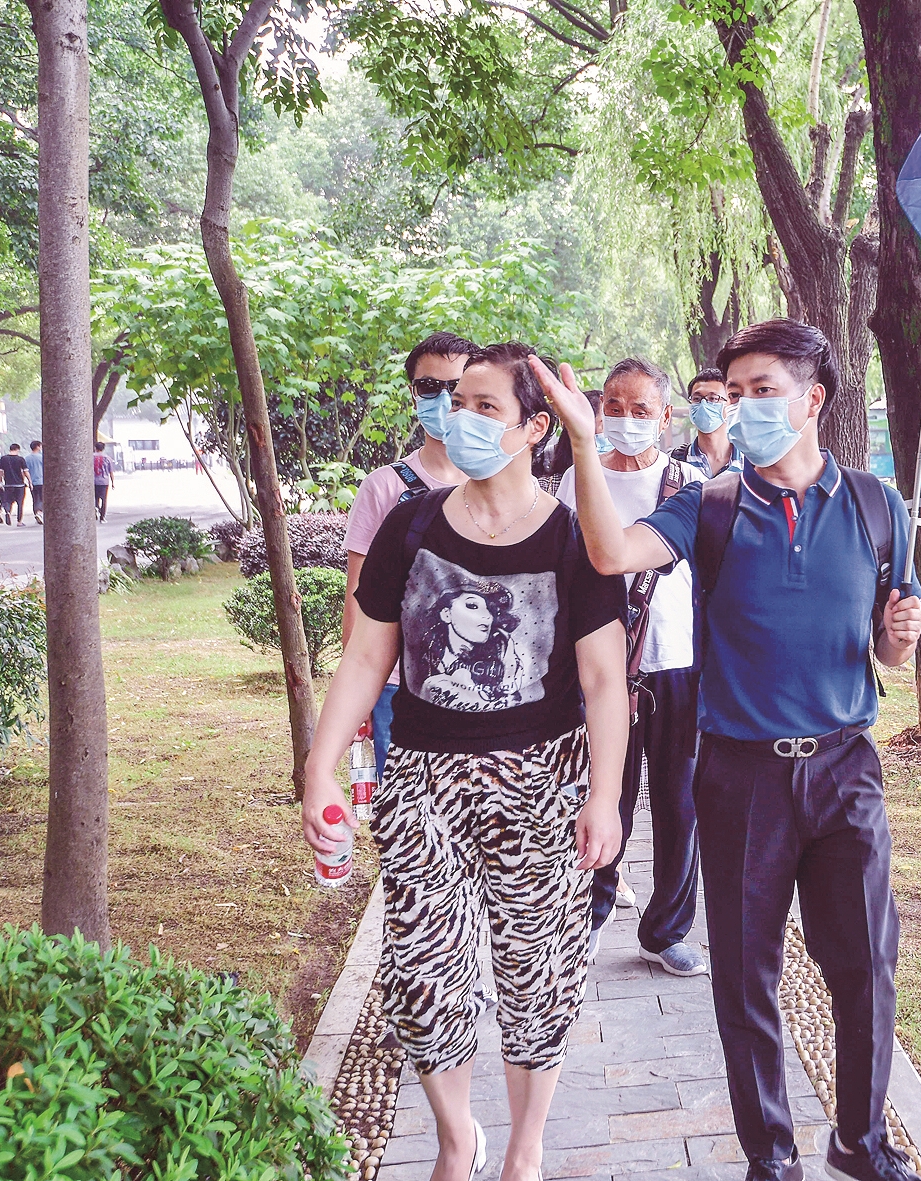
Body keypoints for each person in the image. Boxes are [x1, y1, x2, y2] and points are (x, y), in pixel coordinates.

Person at [535, 318, 921, 1181]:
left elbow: (888, 647)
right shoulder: (710, 503)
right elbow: (610, 550)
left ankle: (860, 1142)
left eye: (762, 391)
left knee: (866, 963)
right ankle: (771, 1154)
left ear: (812, 400)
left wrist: (899, 638)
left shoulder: (875, 504)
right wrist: (584, 440)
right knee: (746, 974)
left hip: (845, 768)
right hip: (740, 773)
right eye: (736, 392)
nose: (744, 407)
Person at [303, 341, 630, 1181]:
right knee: (423, 972)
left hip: (541, 780)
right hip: (424, 779)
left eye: (487, 406)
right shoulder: (410, 524)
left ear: (533, 428)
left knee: (538, 972)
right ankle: (457, 1138)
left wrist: (605, 796)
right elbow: (365, 655)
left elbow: (604, 680)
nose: (463, 418)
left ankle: (525, 1147)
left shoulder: (574, 538)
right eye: (458, 402)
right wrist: (319, 765)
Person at [556, 359, 707, 977]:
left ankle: (665, 930)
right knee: (604, 794)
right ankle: (590, 912)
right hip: (599, 672)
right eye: (613, 406)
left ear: (665, 417)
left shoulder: (690, 482)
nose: (625, 418)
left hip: (677, 666)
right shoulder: (576, 480)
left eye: (640, 409)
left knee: (678, 801)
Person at [344, 331, 475, 771]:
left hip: (481, 683)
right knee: (405, 806)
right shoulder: (383, 487)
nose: (444, 399)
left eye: (456, 387)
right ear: (413, 394)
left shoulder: (503, 486)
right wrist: (357, 693)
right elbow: (357, 595)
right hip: (397, 686)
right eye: (429, 386)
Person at [673, 368, 744, 477]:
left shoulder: (750, 463)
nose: (703, 404)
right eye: (697, 399)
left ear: (730, 403)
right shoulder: (675, 464)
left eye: (713, 398)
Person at [0, 442, 30, 526]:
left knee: (8, 501)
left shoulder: (3, 459)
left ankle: (8, 512)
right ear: (18, 449)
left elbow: (0, 471)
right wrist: (30, 481)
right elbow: (25, 471)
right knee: (20, 503)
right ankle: (19, 521)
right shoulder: (20, 459)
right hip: (20, 485)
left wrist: (0, 481)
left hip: (8, 484)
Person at [93, 442, 114, 521]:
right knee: (104, 499)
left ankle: (96, 508)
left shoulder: (91, 457)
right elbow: (111, 472)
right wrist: (113, 482)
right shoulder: (108, 458)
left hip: (94, 481)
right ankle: (102, 517)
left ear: (95, 448)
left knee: (95, 498)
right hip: (104, 481)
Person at [25, 440, 43, 524]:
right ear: (38, 447)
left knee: (35, 499)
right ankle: (39, 513)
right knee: (42, 499)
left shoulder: (27, 458)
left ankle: (36, 513)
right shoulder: (41, 457)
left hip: (32, 482)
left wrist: (28, 481)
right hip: (41, 481)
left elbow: (25, 471)